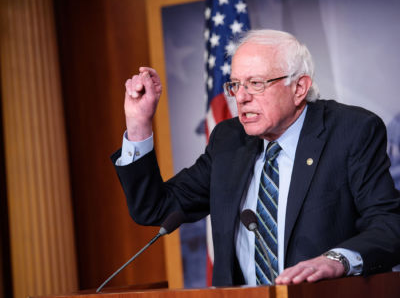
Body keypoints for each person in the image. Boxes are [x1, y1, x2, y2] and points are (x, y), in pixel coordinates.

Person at [111, 29, 400, 286]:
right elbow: (155, 208)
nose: (241, 97)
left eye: (256, 83)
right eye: (235, 84)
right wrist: (138, 124)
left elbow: (389, 226)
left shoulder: (350, 131)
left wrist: (336, 260)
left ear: (299, 87)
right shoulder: (229, 140)